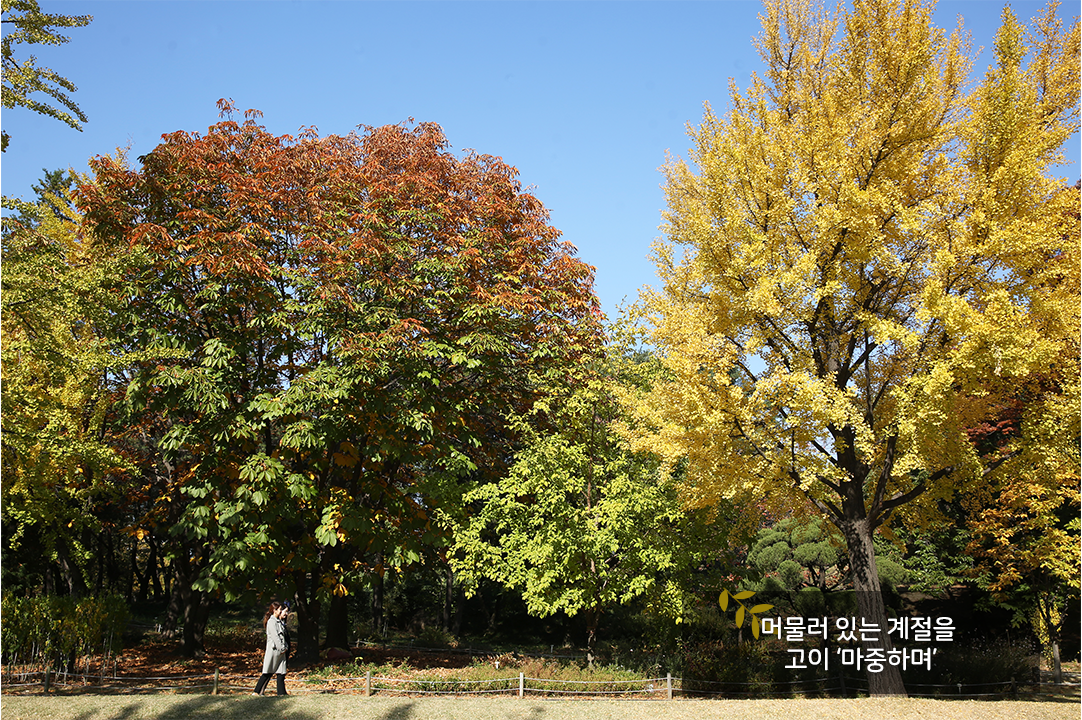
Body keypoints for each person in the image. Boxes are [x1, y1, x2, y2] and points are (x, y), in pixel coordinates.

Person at [252, 601, 290, 696]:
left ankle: (281, 693)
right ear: (274, 610)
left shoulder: (279, 622)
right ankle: (257, 692)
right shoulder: (271, 622)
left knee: (281, 673)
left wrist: (284, 648)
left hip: (280, 652)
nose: (281, 611)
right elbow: (275, 637)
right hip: (274, 652)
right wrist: (282, 648)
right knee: (267, 672)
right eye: (280, 609)